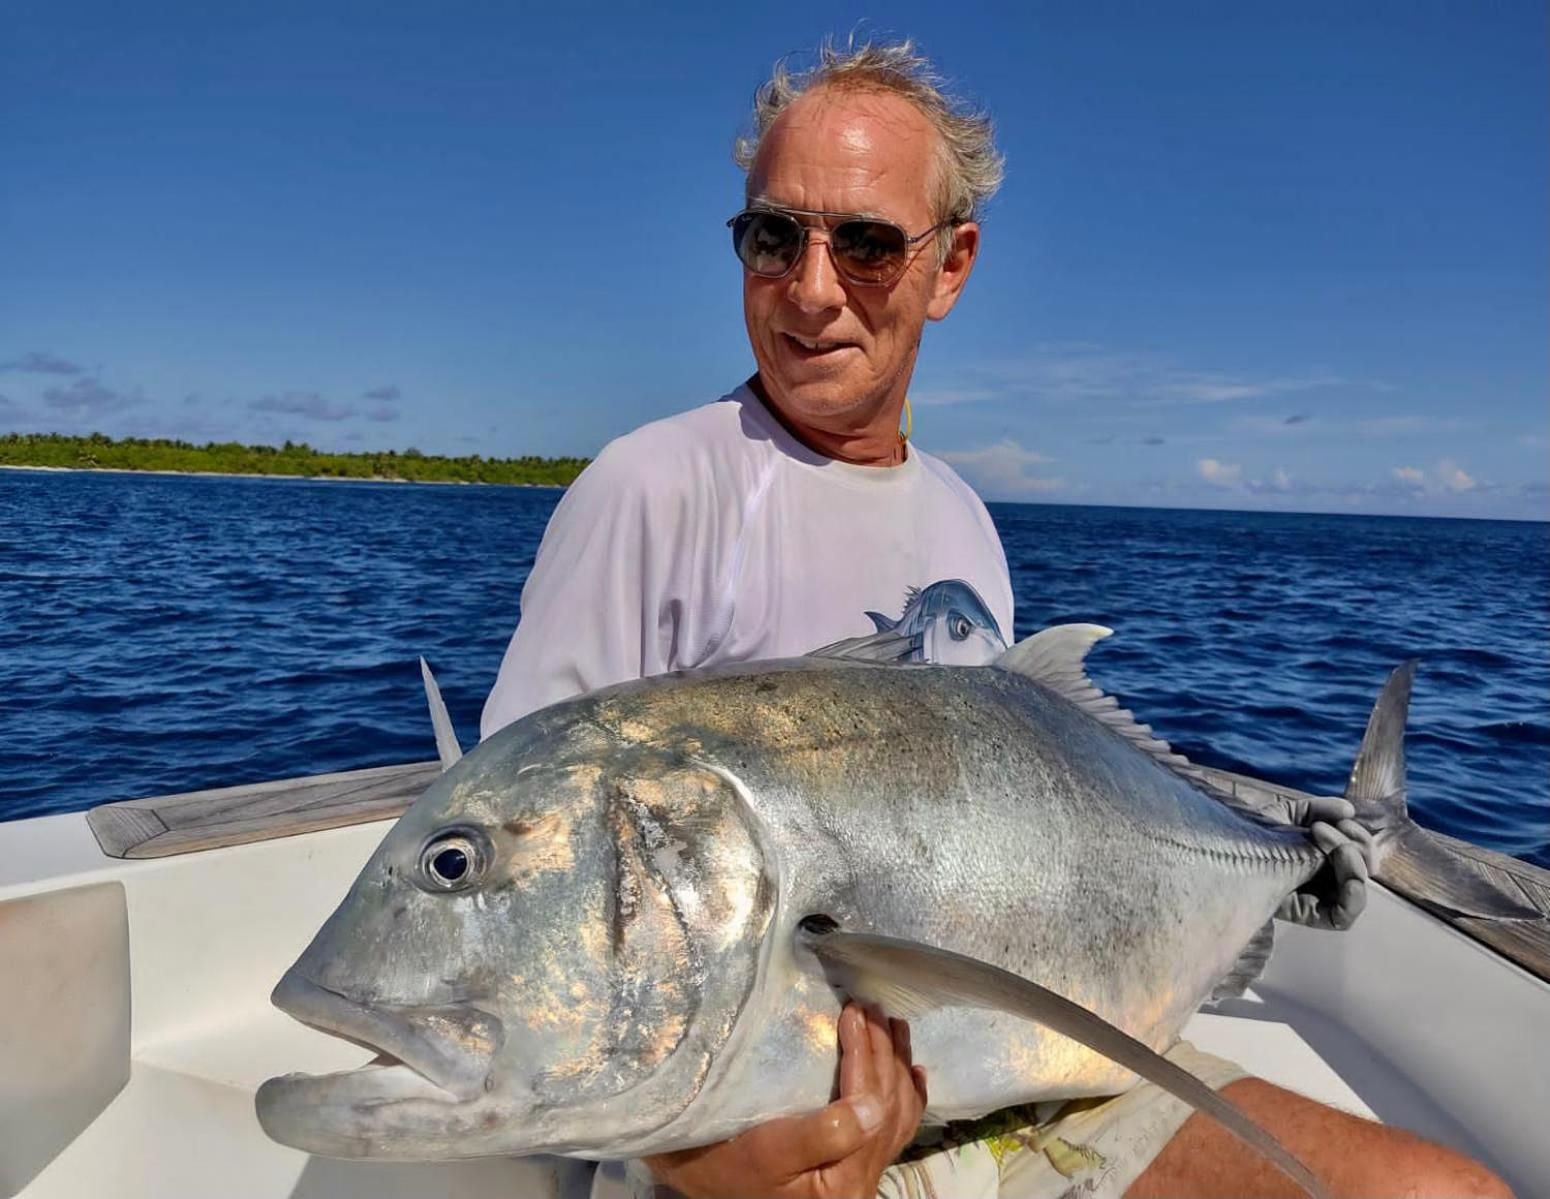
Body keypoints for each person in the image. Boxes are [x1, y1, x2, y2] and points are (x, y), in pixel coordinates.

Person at [482, 37, 1511, 1199]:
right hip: (742, 1138)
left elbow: (1037, 824)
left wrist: (1273, 862)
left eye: (865, 244)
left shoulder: (963, 523)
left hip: (1007, 1073)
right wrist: (700, 1159)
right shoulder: (652, 488)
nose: (811, 288)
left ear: (950, 265)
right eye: (774, 236)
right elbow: (524, 892)